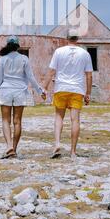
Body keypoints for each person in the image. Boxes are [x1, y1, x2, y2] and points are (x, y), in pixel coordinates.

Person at [0, 35, 46, 158]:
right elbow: (31, 77)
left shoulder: (3, 59)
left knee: (5, 120)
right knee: (17, 122)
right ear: (17, 45)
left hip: (5, 91)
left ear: (8, 45)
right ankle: (13, 149)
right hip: (20, 91)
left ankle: (9, 146)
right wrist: (40, 90)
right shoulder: (24, 58)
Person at [43, 29, 93, 159]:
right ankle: (73, 152)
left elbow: (51, 71)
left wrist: (44, 87)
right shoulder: (85, 53)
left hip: (61, 88)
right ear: (77, 39)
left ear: (67, 38)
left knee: (59, 117)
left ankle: (57, 144)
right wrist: (88, 93)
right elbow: (89, 75)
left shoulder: (59, 51)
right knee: (75, 120)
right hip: (77, 90)